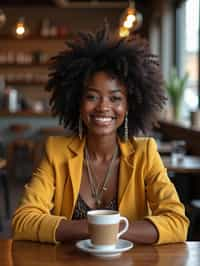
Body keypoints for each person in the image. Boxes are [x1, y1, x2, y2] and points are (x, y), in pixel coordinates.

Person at [12, 24, 189, 245]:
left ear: (129, 106)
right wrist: (95, 228)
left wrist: (108, 230)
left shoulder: (145, 153)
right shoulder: (56, 151)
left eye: (115, 98)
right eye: (92, 96)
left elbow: (177, 224)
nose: (103, 107)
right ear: (77, 102)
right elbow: (22, 221)